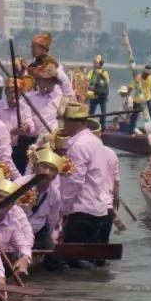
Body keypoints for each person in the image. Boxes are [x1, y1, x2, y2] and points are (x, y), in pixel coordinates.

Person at [59, 103, 108, 249]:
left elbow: (75, 180)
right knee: (90, 255)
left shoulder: (79, 146)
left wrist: (64, 208)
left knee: (73, 256)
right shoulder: (96, 141)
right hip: (98, 208)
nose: (63, 125)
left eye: (64, 121)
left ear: (71, 122)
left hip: (81, 210)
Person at [30, 32, 75, 101]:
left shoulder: (58, 72)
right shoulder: (30, 69)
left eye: (34, 47)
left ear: (43, 49)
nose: (32, 50)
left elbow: (70, 97)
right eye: (31, 47)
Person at [87, 55, 111, 132]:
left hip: (95, 95)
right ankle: (102, 129)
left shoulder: (92, 72)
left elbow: (87, 81)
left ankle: (90, 128)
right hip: (101, 96)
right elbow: (107, 82)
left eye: (95, 63)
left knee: (92, 113)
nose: (94, 64)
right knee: (103, 113)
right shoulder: (104, 72)